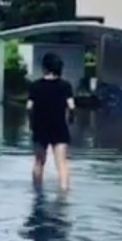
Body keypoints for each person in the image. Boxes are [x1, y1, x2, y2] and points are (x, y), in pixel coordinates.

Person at [27, 52, 75, 189]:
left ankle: (37, 191)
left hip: (40, 127)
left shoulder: (35, 85)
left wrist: (31, 122)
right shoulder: (65, 86)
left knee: (38, 162)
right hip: (59, 127)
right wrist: (70, 120)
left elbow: (29, 107)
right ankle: (64, 192)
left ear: (44, 68)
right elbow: (71, 106)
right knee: (62, 163)